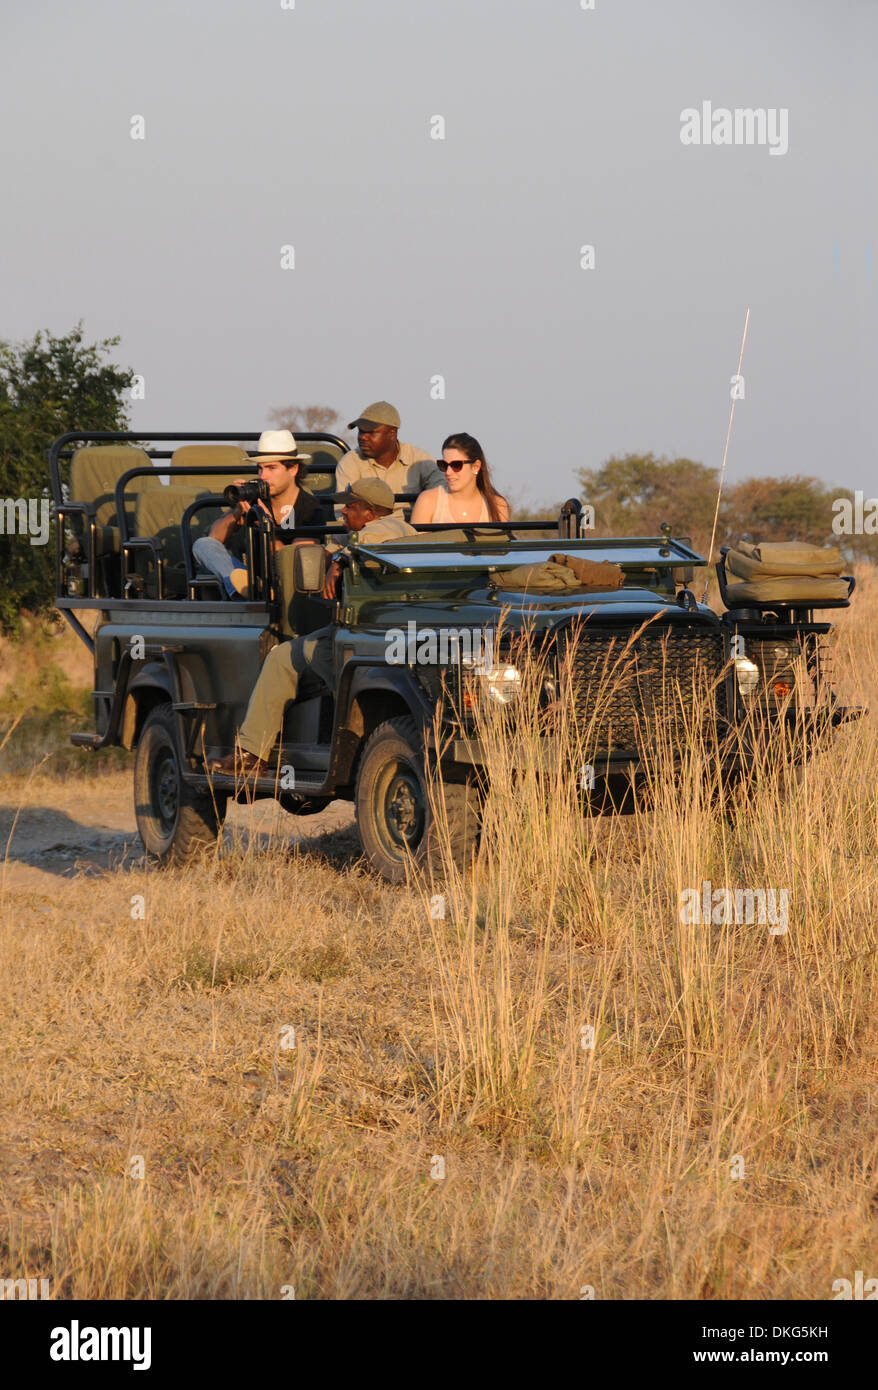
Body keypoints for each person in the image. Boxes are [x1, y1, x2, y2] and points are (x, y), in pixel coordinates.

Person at [208, 477, 416, 777]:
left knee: (281, 658)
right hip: (378, 633)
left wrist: (338, 563)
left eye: (350, 507)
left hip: (364, 637)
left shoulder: (383, 530)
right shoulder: (396, 528)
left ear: (370, 513)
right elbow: (344, 545)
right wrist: (335, 553)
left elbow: (365, 544)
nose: (342, 513)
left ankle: (252, 754)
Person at [193, 430, 327, 598]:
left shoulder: (310, 509)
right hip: (251, 578)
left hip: (288, 587)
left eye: (271, 468)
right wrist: (238, 511)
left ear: (293, 469)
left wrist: (264, 525)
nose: (263, 476)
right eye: (260, 469)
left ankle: (244, 592)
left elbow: (294, 564)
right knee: (203, 544)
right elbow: (214, 538)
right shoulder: (256, 498)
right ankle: (242, 590)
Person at [334, 401, 444, 518]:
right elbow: (343, 514)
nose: (363, 437)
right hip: (367, 533)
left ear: (392, 434)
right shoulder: (350, 462)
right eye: (361, 431)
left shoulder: (420, 460)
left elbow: (443, 499)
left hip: (412, 533)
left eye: (371, 432)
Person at [410, 433, 510, 526]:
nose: (448, 472)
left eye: (456, 465)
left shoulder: (498, 505)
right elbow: (417, 543)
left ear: (476, 466)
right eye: (444, 465)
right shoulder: (428, 501)